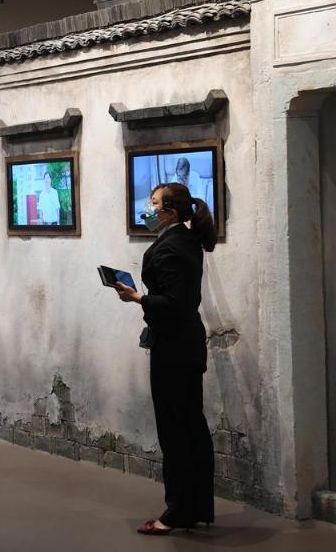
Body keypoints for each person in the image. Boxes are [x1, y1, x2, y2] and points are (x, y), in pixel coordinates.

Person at [114, 182, 216, 535]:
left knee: (176, 432)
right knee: (191, 427)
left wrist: (137, 298)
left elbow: (172, 304)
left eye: (154, 202)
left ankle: (177, 513)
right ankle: (196, 507)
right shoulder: (187, 240)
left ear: (170, 212)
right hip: (187, 344)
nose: (148, 207)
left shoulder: (171, 247)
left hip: (173, 347)